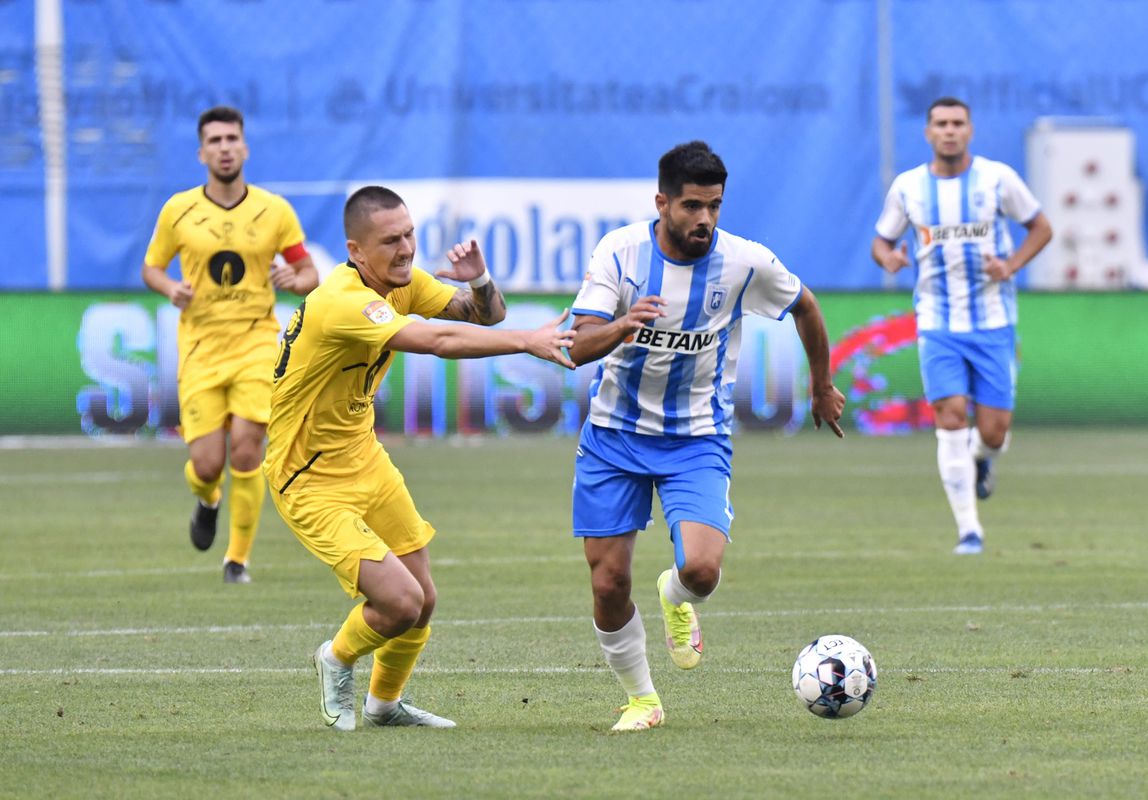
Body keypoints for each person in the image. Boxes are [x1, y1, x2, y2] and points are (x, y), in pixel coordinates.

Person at [264, 186, 575, 732]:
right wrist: (529, 341)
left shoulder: (399, 281)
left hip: (364, 457)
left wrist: (478, 279)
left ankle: (384, 705)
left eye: (409, 234)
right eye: (391, 240)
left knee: (423, 599)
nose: (406, 248)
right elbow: (439, 341)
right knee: (401, 602)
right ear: (356, 251)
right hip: (307, 477)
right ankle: (335, 657)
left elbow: (481, 315)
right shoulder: (342, 299)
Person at [569, 141, 846, 732]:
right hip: (614, 435)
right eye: (692, 205)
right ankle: (642, 700)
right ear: (662, 201)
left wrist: (822, 387)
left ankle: (674, 597)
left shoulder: (745, 262)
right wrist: (623, 324)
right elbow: (577, 346)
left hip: (696, 437)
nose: (704, 219)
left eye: (714, 206)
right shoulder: (619, 253)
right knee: (609, 581)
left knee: (701, 571)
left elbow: (807, 308)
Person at [142, 105, 319, 583]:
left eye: (231, 139)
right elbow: (152, 267)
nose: (224, 148)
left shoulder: (274, 210)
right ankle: (207, 498)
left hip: (257, 343)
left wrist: (293, 277)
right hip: (200, 348)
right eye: (215, 141)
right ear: (202, 152)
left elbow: (310, 273)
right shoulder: (179, 210)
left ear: (245, 147)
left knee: (245, 451)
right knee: (206, 463)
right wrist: (169, 288)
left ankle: (236, 560)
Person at [871, 96, 1052, 555]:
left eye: (957, 123)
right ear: (928, 132)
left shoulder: (997, 179)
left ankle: (981, 459)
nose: (949, 131)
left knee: (994, 433)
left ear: (970, 130)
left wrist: (1011, 265)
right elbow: (881, 239)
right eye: (940, 123)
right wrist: (889, 258)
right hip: (936, 321)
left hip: (993, 322)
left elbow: (1041, 227)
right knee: (949, 417)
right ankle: (969, 531)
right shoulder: (909, 187)